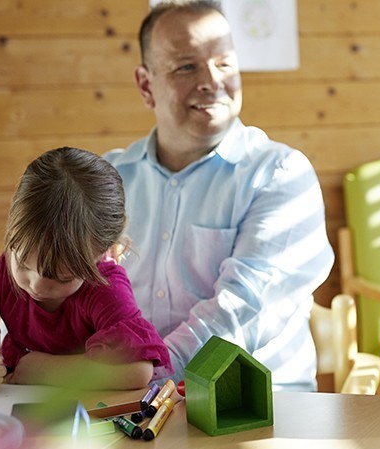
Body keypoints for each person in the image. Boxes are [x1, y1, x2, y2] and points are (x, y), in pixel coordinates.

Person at [104, 0, 334, 391]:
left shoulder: (280, 175)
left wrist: (146, 374)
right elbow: (59, 287)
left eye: (225, 62)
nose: (212, 80)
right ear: (146, 86)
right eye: (187, 66)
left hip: (254, 410)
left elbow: (242, 312)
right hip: (127, 403)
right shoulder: (107, 180)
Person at [0, 147, 170, 396]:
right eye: (22, 263)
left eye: (60, 277)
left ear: (102, 253)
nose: (37, 285)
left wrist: (45, 370)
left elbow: (138, 370)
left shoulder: (104, 287)